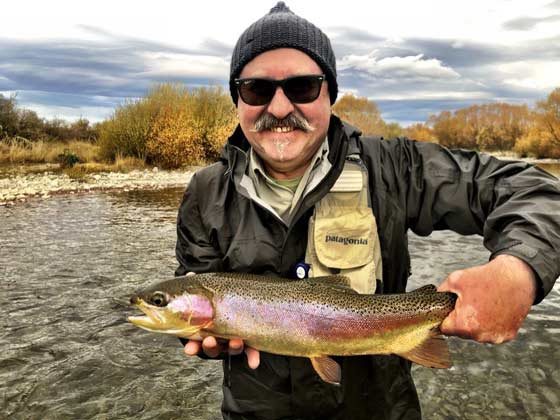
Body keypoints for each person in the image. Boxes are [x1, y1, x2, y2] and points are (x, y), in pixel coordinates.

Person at [175, 2, 560, 419]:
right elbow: (191, 289)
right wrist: (200, 339)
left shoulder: (394, 168)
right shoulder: (205, 191)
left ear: (330, 95)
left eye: (303, 87)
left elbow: (537, 190)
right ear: (237, 99)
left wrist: (520, 269)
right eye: (257, 89)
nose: (280, 108)